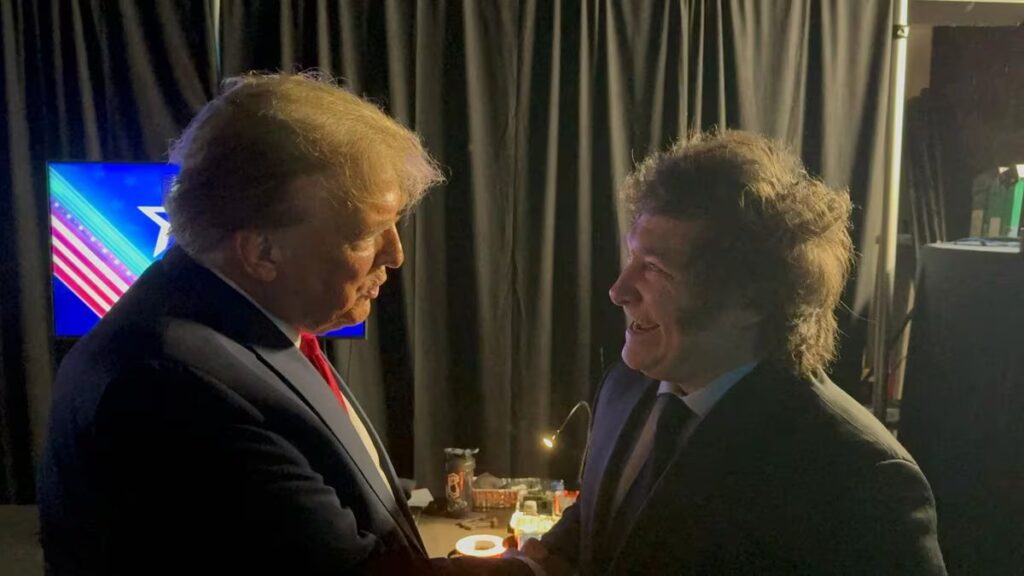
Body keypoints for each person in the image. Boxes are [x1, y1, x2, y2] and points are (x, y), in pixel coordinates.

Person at [38, 73, 529, 576]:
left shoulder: (231, 320)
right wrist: (535, 567)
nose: (396, 255)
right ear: (261, 251)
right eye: (365, 235)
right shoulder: (173, 387)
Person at [525, 131, 947, 575]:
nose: (618, 290)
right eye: (632, 258)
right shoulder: (623, 388)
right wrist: (532, 568)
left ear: (752, 300)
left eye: (654, 268)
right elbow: (603, 528)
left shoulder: (862, 477)